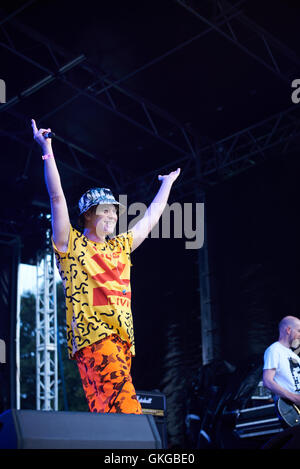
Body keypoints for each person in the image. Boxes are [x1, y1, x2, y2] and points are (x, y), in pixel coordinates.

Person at [31, 118, 180, 414]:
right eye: (105, 211)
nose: (112, 216)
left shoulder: (119, 246)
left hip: (122, 341)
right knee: (129, 411)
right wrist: (46, 149)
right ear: (88, 215)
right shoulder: (71, 245)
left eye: (114, 211)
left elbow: (150, 219)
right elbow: (57, 199)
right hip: (95, 337)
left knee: (106, 415)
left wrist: (166, 186)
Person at [263, 316, 300, 406]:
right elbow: (267, 381)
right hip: (290, 408)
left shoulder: (294, 355)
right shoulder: (274, 350)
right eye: (299, 331)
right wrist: (295, 398)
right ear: (288, 330)